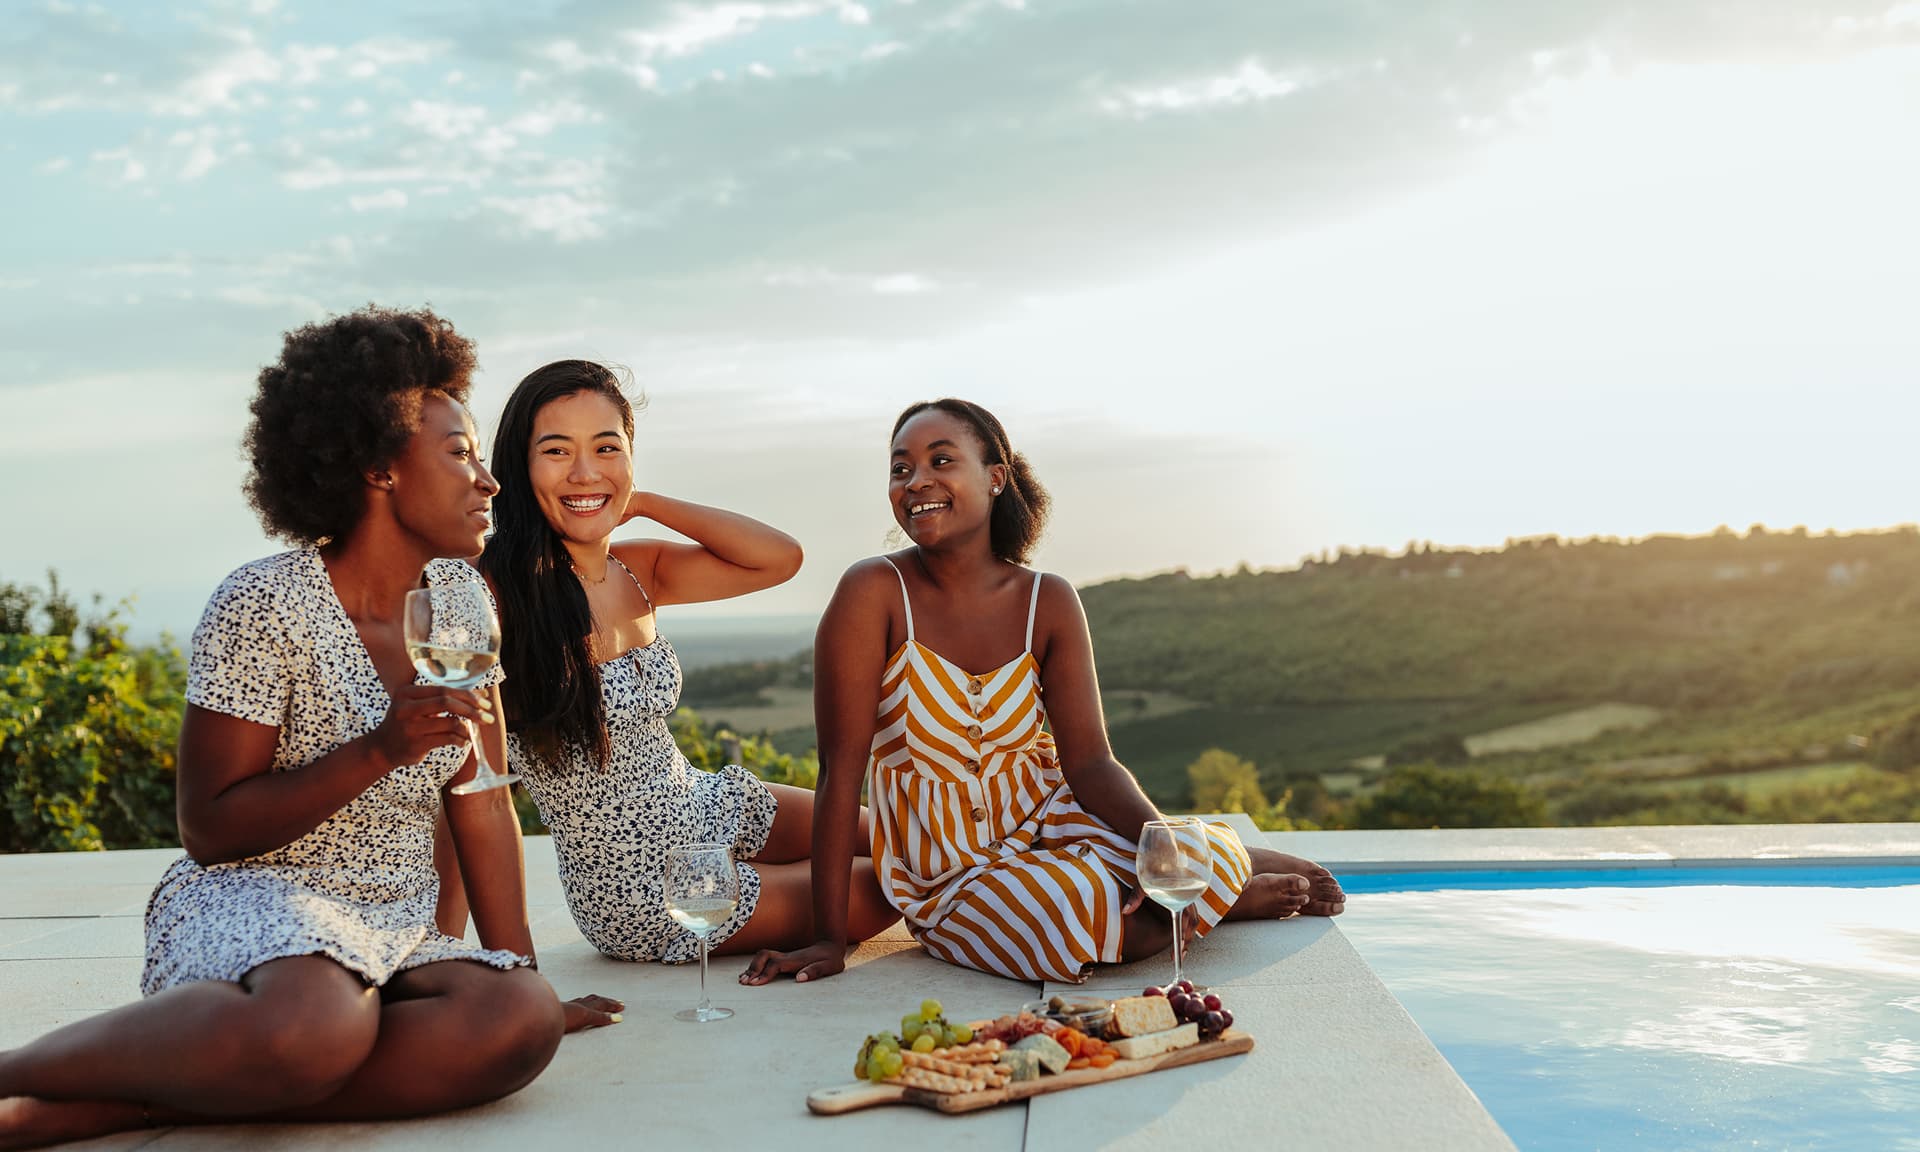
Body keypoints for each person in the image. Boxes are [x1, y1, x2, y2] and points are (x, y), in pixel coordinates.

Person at [0, 307, 578, 1150]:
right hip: (257, 900)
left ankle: (131, 1104)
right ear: (380, 467)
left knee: (521, 1020)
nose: (488, 481)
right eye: (459, 453)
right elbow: (210, 828)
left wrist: (514, 965)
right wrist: (380, 749)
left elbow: (482, 799)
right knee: (316, 1027)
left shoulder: (463, 599)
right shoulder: (262, 603)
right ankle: (16, 1071)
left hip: (393, 917)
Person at [742, 399, 1345, 987]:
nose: (916, 480)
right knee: (1078, 910)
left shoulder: (1047, 599)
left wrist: (1162, 849)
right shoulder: (873, 591)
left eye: (941, 460)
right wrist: (828, 937)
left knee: (1176, 849)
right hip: (950, 873)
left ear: (996, 477)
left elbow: (1090, 762)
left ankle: (1208, 871)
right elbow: (839, 773)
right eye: (901, 469)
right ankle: (1227, 898)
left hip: (1056, 819)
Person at [473, 360, 897, 966]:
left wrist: (638, 501)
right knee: (891, 884)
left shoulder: (634, 568)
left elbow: (779, 558)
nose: (585, 471)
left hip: (704, 804)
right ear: (519, 465)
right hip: (640, 885)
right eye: (557, 450)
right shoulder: (492, 596)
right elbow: (470, 788)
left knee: (903, 846)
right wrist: (507, 971)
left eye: (606, 447)